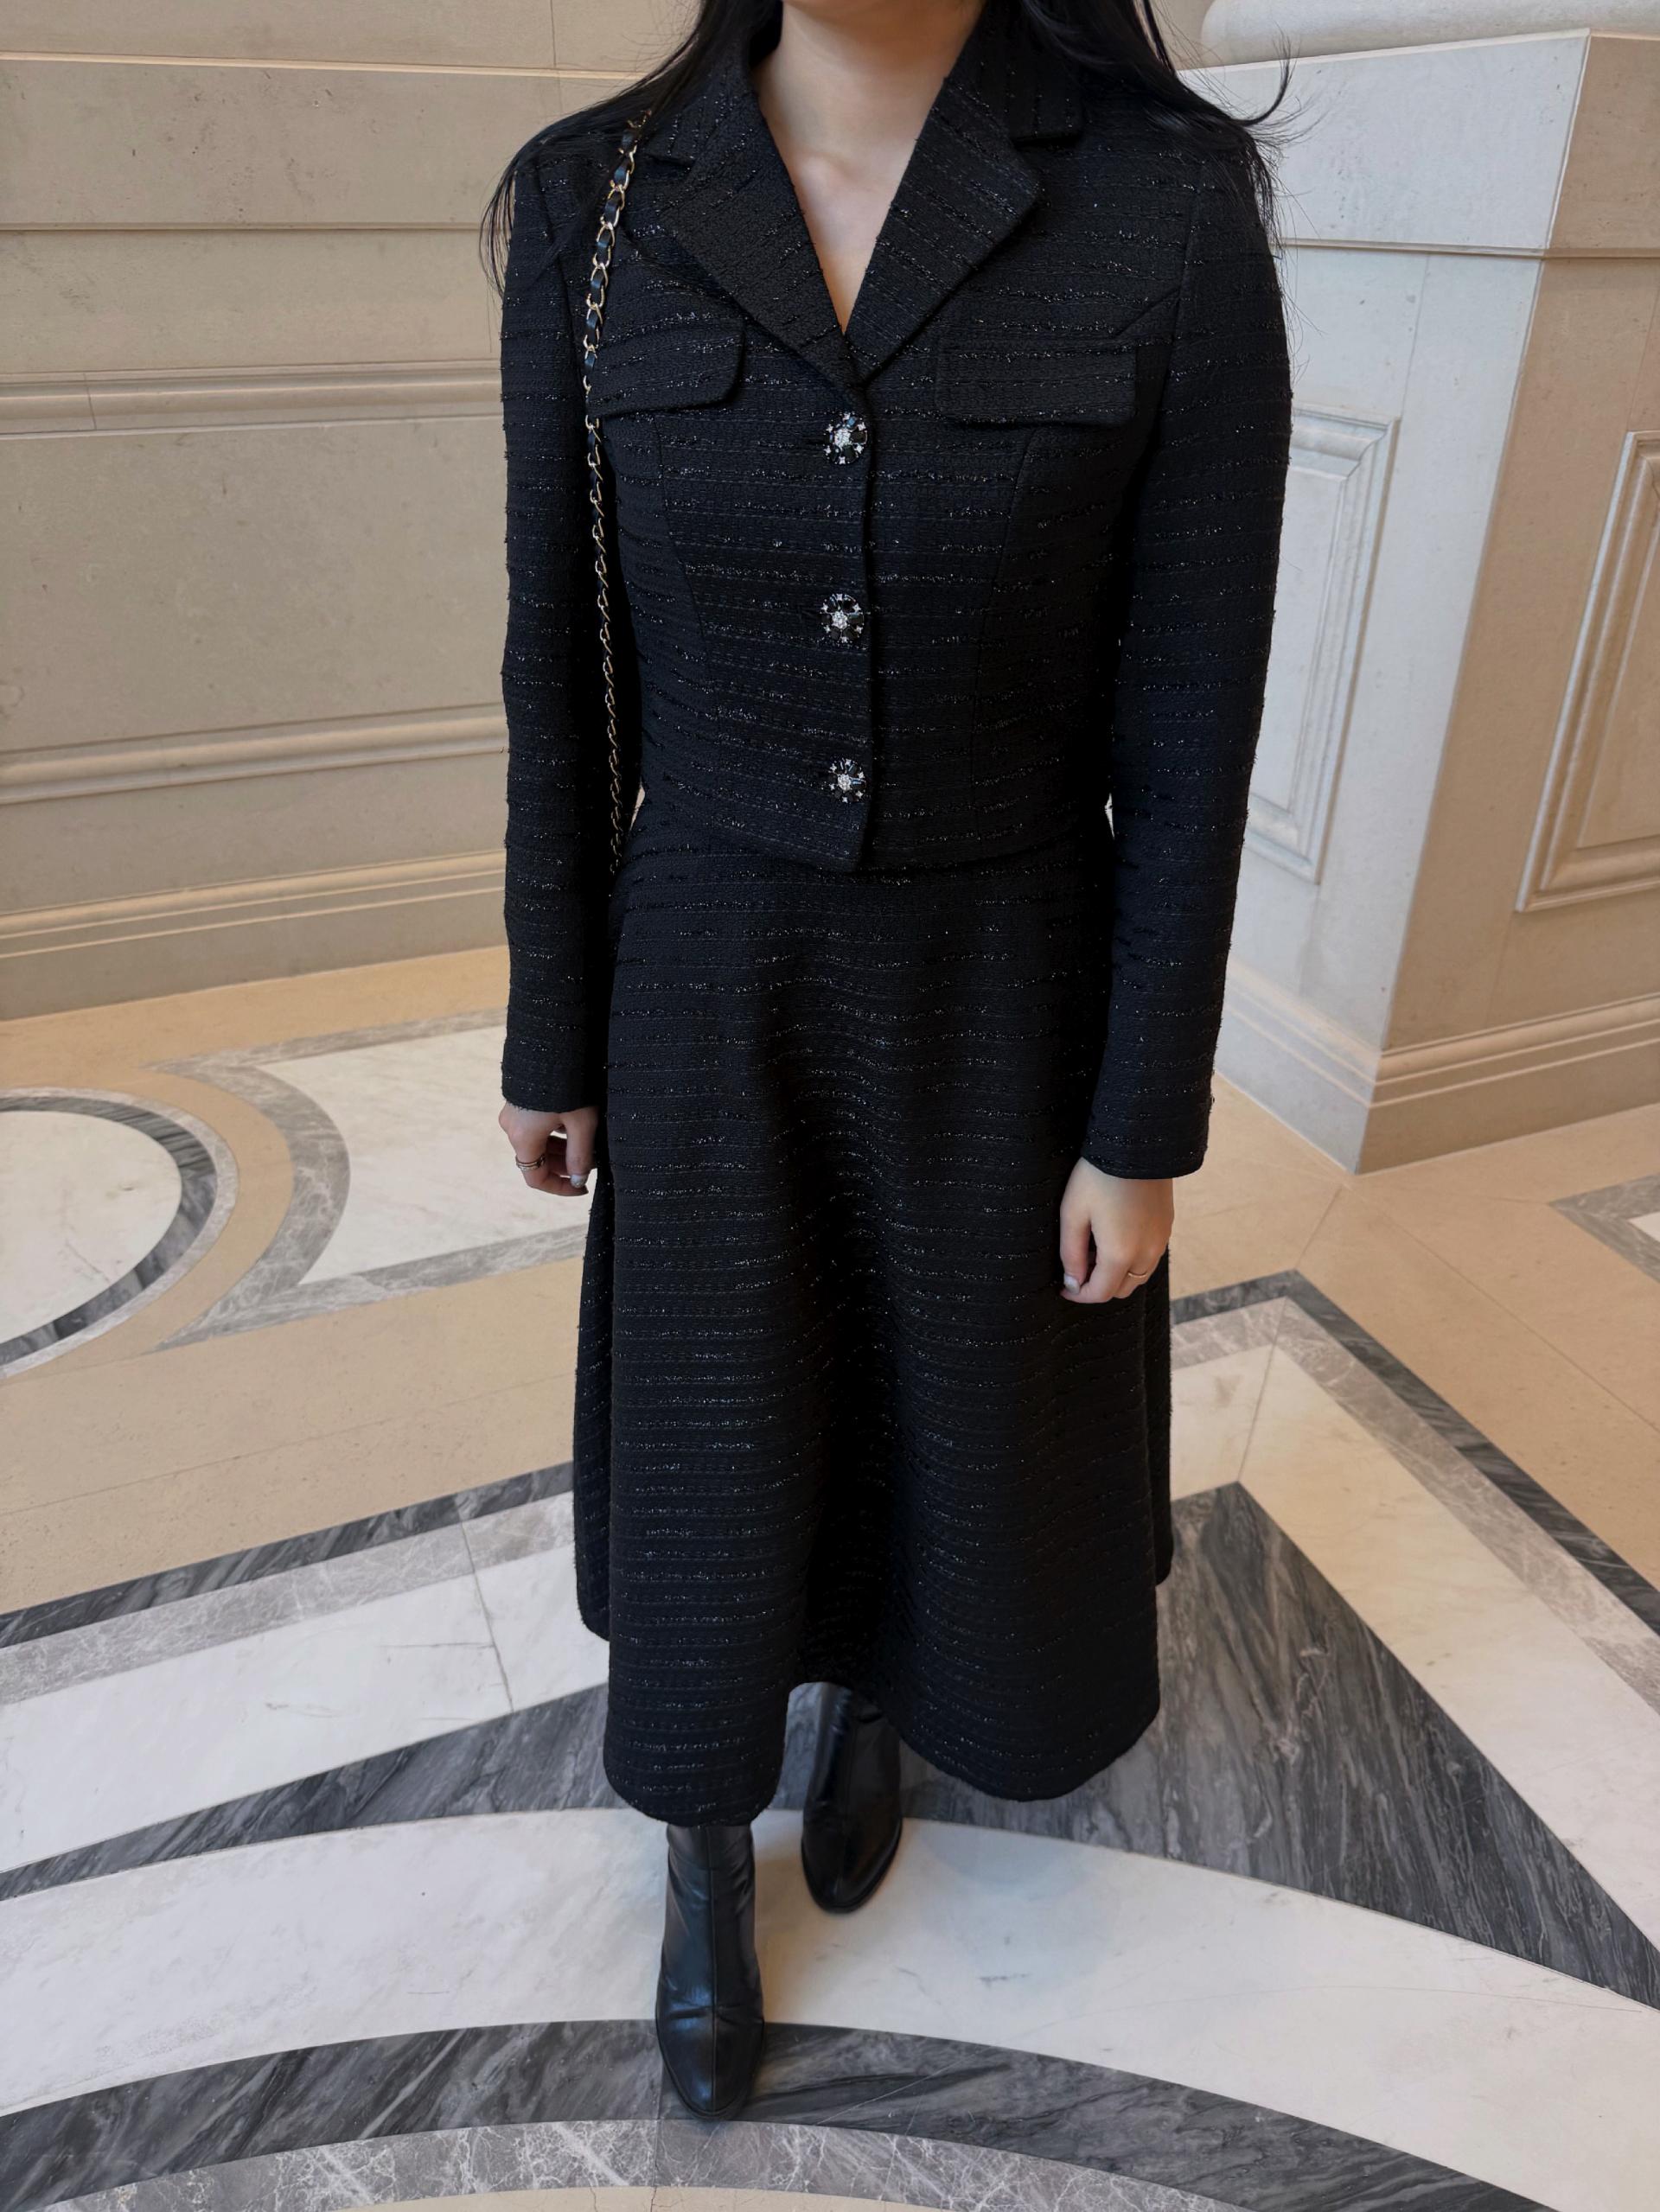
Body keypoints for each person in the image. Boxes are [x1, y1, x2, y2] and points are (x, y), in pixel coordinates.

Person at [484, 0, 1291, 2122]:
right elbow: (561, 666)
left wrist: (1141, 1118)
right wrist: (554, 1021)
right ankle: (698, 1840)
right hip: (708, 986)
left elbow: (1192, 718)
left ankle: (877, 1699)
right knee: (714, 1440)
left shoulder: (1168, 208)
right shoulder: (593, 203)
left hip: (1006, 982)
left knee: (955, 1415)